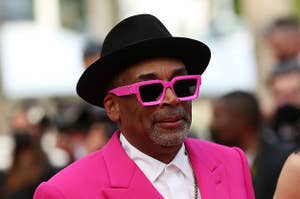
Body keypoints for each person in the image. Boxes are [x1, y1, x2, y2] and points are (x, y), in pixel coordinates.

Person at [33, 14, 255, 199]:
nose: (172, 99)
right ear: (113, 107)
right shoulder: (66, 192)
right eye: (150, 90)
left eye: (183, 85)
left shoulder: (231, 162)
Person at [209, 91, 292, 199]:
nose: (213, 125)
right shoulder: (214, 163)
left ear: (242, 120)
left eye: (218, 116)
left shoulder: (284, 161)